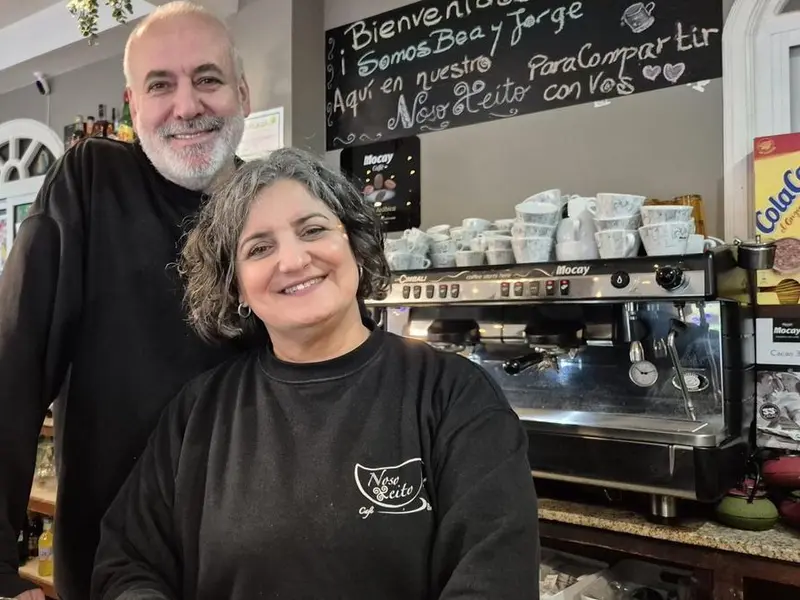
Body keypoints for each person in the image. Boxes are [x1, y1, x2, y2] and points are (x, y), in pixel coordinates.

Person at [90, 147, 540, 600]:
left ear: (356, 247)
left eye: (313, 230)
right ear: (236, 287)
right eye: (260, 248)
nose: (293, 260)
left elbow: (494, 580)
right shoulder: (199, 413)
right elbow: (127, 563)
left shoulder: (453, 395)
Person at [0, 3, 257, 599]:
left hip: (260, 567)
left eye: (208, 79)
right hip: (108, 567)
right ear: (132, 104)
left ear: (242, 92)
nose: (187, 105)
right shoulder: (91, 183)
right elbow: (11, 365)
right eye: (160, 85)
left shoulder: (273, 210)